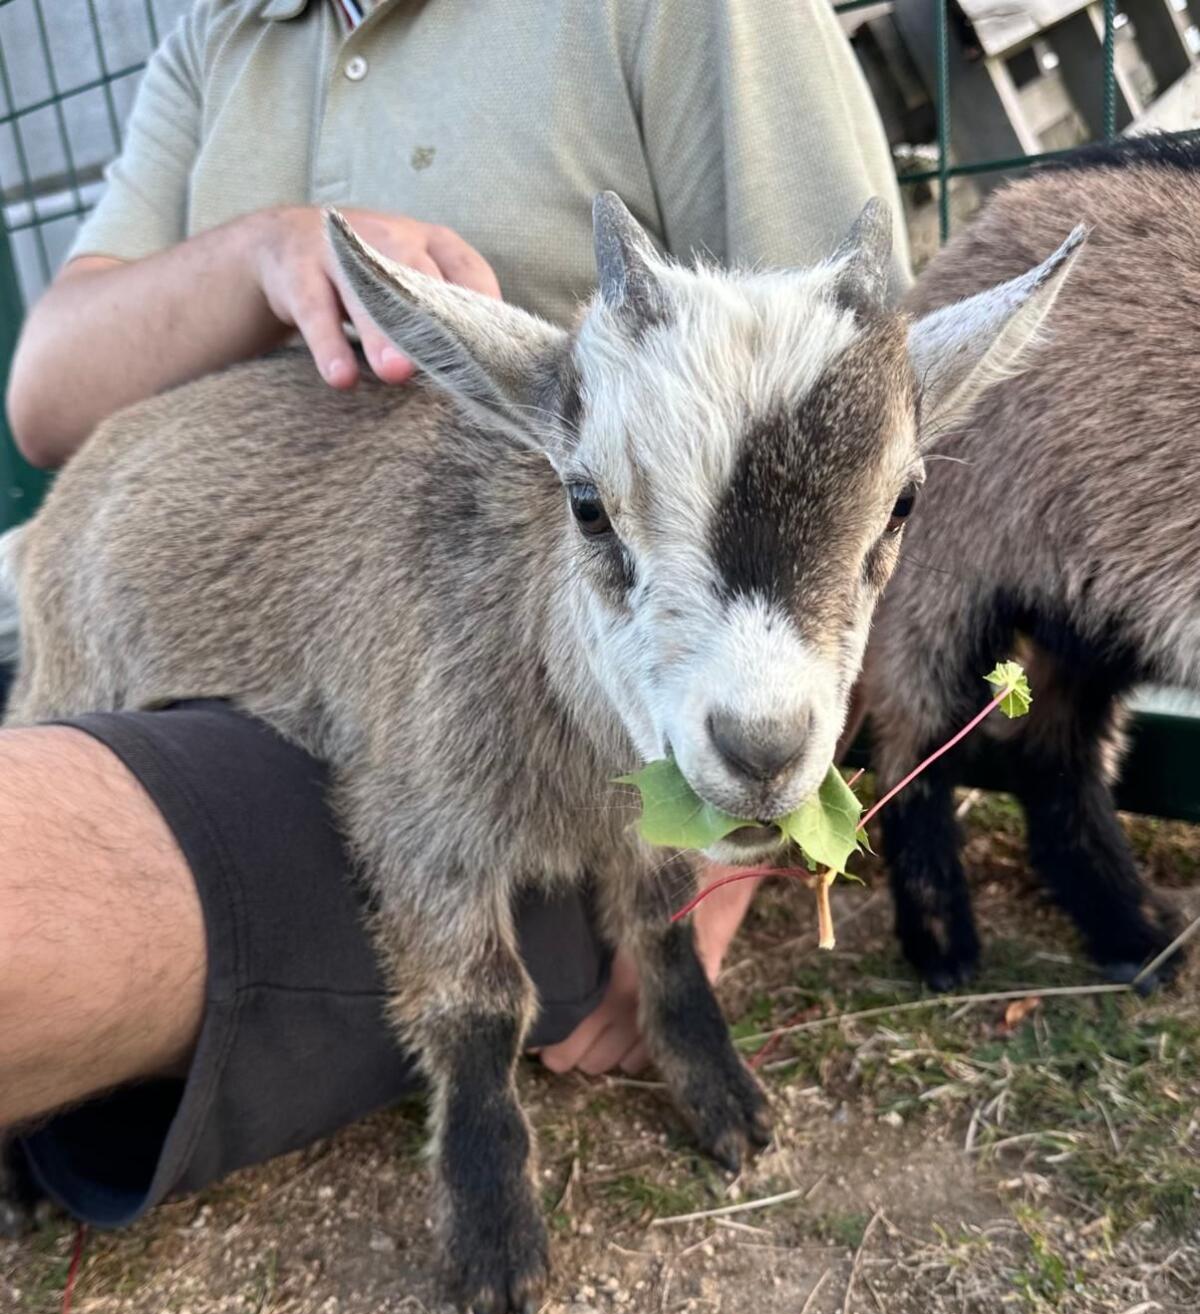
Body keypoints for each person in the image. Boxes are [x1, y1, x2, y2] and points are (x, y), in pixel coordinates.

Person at [0, 0, 906, 1230]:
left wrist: (727, 854)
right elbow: (46, 401)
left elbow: (856, 407)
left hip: (578, 651)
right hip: (175, 591)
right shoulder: (218, 40)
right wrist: (258, 255)